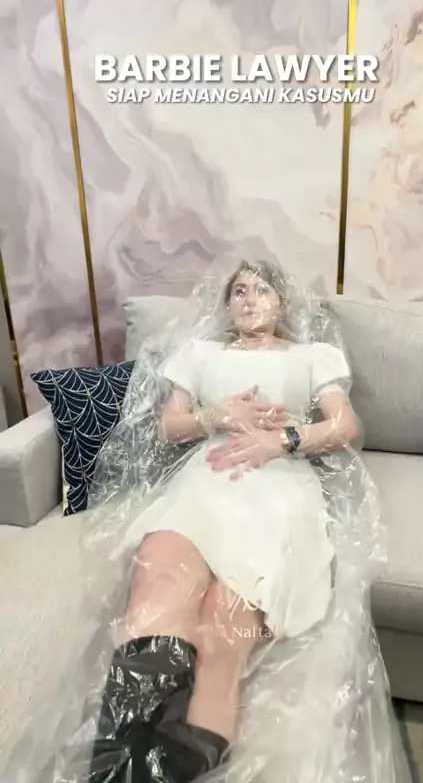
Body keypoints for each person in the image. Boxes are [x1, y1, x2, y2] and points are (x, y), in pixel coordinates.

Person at [57, 259, 394, 783]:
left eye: (262, 290)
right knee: (152, 600)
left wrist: (281, 440)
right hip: (204, 482)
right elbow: (169, 426)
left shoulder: (312, 355)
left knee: (222, 630)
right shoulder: (200, 352)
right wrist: (218, 416)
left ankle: (179, 767)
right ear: (227, 303)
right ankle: (116, 763)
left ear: (282, 303)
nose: (250, 299)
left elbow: (345, 425)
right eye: (239, 290)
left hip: (278, 490)